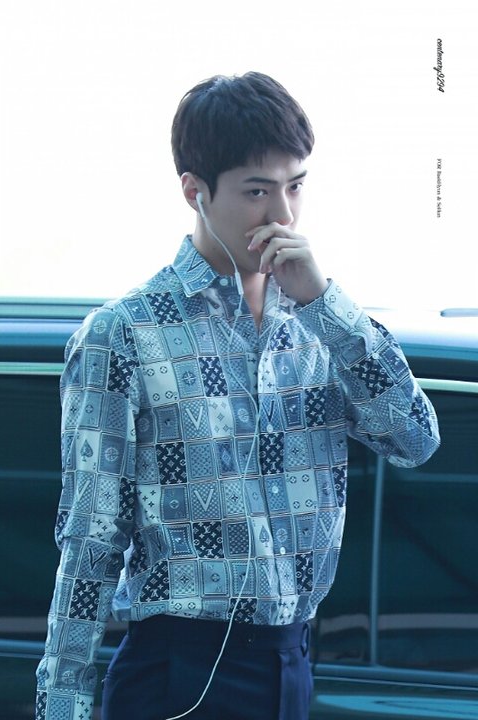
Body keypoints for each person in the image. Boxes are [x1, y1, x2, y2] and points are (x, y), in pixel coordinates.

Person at [36, 71, 440, 720]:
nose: (282, 215)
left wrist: (324, 306)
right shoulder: (125, 334)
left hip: (291, 663)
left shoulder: (321, 325)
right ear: (194, 192)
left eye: (295, 186)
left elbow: (416, 440)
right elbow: (90, 539)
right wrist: (63, 706)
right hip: (177, 671)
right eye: (257, 191)